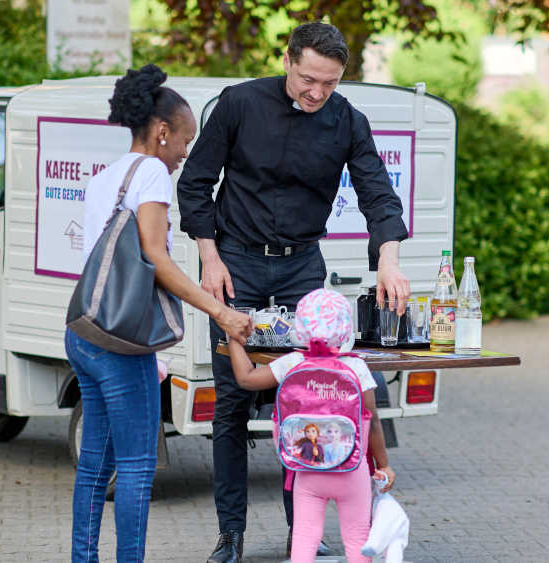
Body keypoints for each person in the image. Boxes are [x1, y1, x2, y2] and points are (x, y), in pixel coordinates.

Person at [176, 21, 411, 562]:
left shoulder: (348, 121)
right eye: (308, 78)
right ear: (287, 60)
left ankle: (300, 531)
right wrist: (209, 256)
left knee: (306, 398)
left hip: (303, 270)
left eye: (328, 84)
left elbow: (378, 193)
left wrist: (388, 258)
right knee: (233, 403)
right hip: (235, 265)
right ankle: (229, 534)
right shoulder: (238, 104)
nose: (316, 92)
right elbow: (195, 184)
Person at [66, 64, 253, 563]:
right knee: (135, 464)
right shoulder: (150, 172)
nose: (185, 153)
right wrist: (220, 311)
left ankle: (83, 559)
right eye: (185, 140)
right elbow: (156, 258)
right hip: (120, 343)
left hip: (84, 331)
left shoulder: (104, 176)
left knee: (94, 464)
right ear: (162, 131)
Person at [227, 288, 396, 563]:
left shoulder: (293, 363)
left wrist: (234, 340)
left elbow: (246, 379)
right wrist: (384, 464)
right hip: (352, 471)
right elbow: (373, 421)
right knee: (357, 537)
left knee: (305, 536)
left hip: (306, 470)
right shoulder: (357, 368)